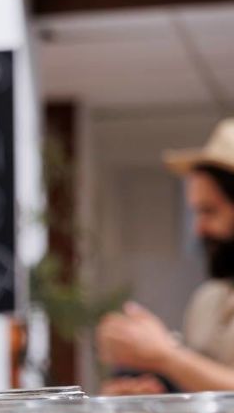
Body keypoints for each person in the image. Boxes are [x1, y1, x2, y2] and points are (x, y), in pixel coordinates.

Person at [97, 118, 234, 394]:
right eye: (196, 212)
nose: (198, 228)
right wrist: (154, 394)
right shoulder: (207, 301)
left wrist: (166, 356)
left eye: (209, 211)